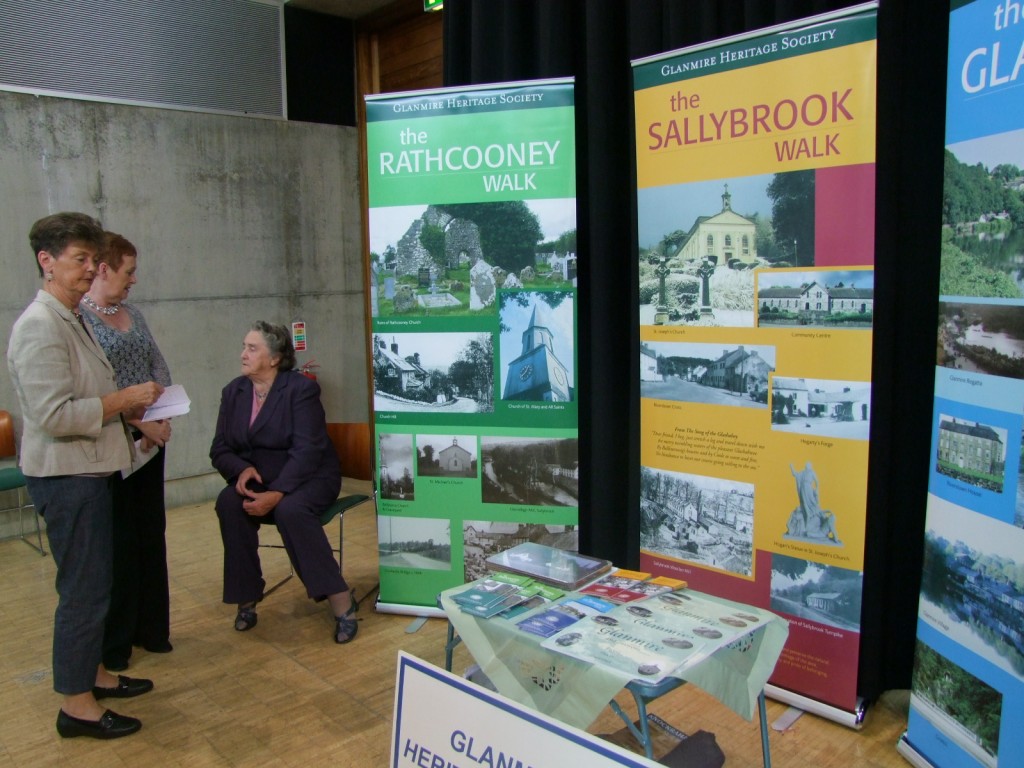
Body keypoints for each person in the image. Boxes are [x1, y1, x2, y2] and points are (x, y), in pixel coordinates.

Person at [6, 212, 164, 739]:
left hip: (90, 470)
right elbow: (52, 416)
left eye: (94, 262)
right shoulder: (38, 324)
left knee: (98, 582)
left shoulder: (69, 315)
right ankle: (76, 706)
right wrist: (125, 401)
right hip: (68, 478)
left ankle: (92, 675)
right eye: (80, 261)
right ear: (46, 261)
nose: (89, 270)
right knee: (84, 590)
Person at [210, 321, 357, 644]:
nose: (243, 354)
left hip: (310, 476)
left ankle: (341, 600)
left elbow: (308, 449)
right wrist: (240, 471)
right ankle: (246, 596)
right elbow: (220, 448)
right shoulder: (233, 391)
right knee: (228, 502)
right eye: (244, 347)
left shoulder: (300, 390)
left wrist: (277, 493)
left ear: (275, 358)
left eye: (252, 348)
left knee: (291, 510)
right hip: (259, 478)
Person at [81, 232, 174, 671]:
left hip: (149, 442)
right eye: (128, 271)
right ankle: (116, 643)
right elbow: (98, 389)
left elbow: (159, 366)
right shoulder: (82, 320)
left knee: (150, 535)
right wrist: (140, 422)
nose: (134, 279)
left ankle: (152, 630)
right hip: (114, 443)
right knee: (119, 545)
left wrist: (162, 418)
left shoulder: (132, 313)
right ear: (103, 269)